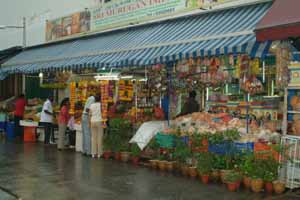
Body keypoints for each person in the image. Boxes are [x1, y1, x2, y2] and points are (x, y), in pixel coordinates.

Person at [89, 94, 103, 158]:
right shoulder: (101, 105)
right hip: (99, 121)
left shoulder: (91, 105)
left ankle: (93, 153)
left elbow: (90, 114)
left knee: (93, 138)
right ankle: (99, 154)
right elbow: (103, 113)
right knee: (99, 138)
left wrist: (89, 123)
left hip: (92, 121)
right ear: (100, 99)